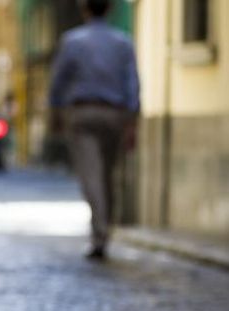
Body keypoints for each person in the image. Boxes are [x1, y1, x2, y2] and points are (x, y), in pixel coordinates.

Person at [49, 0, 140, 260]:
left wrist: (55, 113)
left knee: (92, 176)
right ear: (109, 9)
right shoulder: (123, 43)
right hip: (115, 114)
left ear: (84, 10)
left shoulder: (72, 41)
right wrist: (132, 122)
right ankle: (103, 230)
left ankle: (100, 234)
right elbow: (132, 84)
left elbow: (58, 81)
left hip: (82, 113)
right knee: (108, 175)